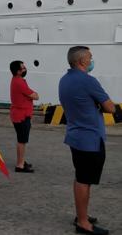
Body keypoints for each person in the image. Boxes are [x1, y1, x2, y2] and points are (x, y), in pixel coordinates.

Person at [59, 46, 115, 235]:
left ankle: (81, 215)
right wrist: (99, 105)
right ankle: (83, 223)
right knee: (84, 180)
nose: (92, 60)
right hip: (90, 139)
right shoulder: (88, 81)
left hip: (75, 136)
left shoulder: (64, 80)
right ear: (82, 61)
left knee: (81, 178)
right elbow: (110, 108)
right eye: (90, 58)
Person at [9, 60, 39, 173]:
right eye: (23, 68)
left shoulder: (17, 80)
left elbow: (31, 94)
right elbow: (35, 96)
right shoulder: (19, 82)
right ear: (18, 71)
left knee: (21, 140)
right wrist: (33, 95)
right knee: (22, 140)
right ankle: (20, 165)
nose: (25, 69)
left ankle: (21, 160)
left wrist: (31, 96)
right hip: (21, 116)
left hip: (19, 114)